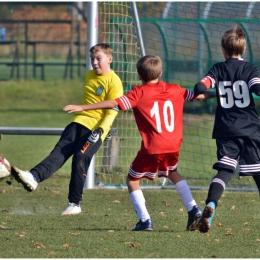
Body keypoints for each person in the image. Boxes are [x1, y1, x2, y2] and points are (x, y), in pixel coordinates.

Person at [64, 55, 216, 231]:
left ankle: (145, 221)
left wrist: (82, 107)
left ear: (139, 75)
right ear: (160, 72)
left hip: (153, 146)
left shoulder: (138, 93)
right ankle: (193, 209)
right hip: (173, 145)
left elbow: (114, 103)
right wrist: (221, 93)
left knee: (132, 179)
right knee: (173, 172)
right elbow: (200, 96)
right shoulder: (175, 89)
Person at [10, 43, 123, 215]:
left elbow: (112, 111)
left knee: (80, 157)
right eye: (92, 58)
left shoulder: (115, 82)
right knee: (59, 152)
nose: (94, 62)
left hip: (95, 130)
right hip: (78, 122)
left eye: (98, 58)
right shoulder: (90, 75)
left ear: (110, 59)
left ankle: (74, 204)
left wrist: (100, 130)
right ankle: (34, 177)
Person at [193, 25, 260, 233]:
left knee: (224, 170)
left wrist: (214, 91)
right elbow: (257, 88)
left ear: (223, 50)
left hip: (225, 130)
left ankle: (211, 204)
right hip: (250, 129)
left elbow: (200, 88)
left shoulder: (217, 69)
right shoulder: (251, 70)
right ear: (245, 48)